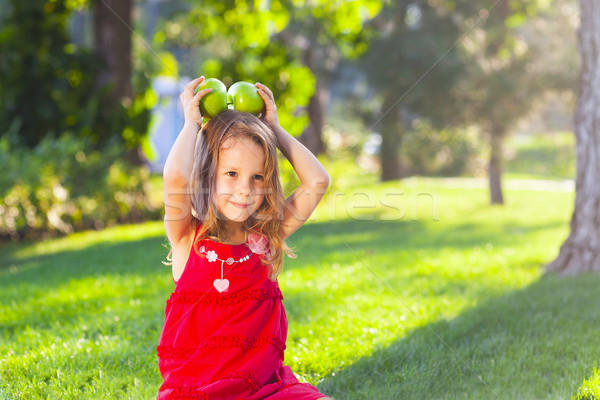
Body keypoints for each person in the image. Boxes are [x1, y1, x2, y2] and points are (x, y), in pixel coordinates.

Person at [157, 76, 334, 400]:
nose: (245, 190)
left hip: (266, 388)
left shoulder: (267, 236)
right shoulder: (187, 238)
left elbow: (318, 181)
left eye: (257, 177)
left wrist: (274, 130)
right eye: (231, 174)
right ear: (208, 174)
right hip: (198, 392)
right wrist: (191, 126)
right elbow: (176, 175)